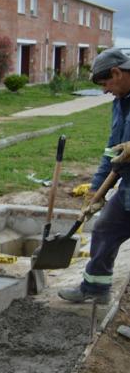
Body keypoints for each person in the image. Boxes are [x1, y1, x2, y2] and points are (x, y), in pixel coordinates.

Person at [59, 47, 130, 305]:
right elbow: (112, 150)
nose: (104, 90)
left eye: (105, 83)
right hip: (127, 189)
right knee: (105, 229)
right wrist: (95, 190)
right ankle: (95, 289)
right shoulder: (120, 103)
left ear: (116, 72)